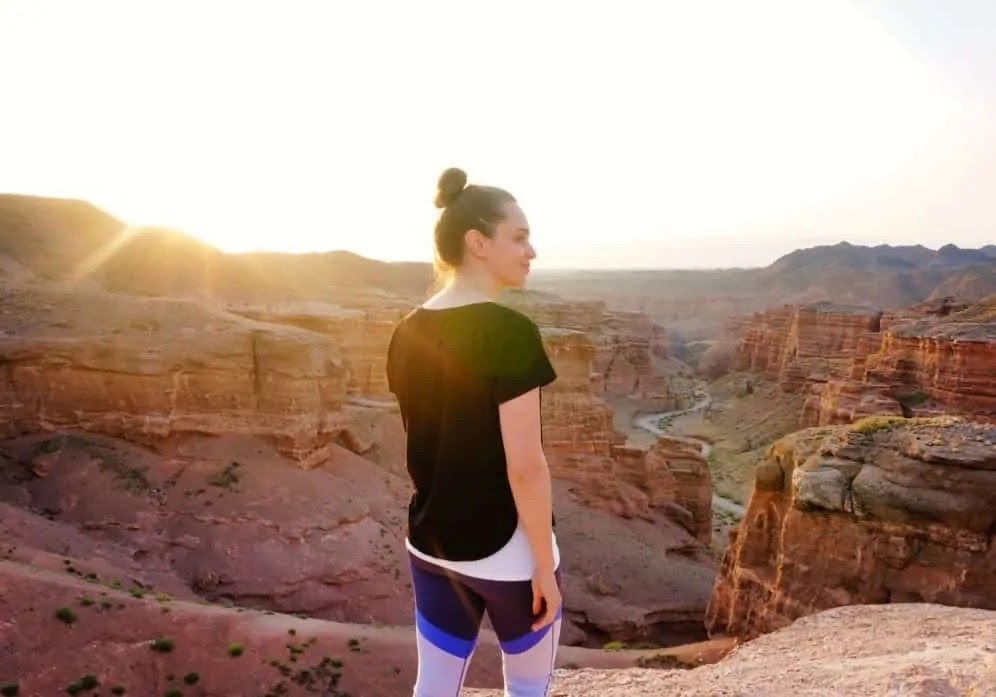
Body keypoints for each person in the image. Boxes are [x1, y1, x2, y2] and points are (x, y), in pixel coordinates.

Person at [386, 167, 563, 696]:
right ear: (477, 243)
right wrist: (543, 569)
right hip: (507, 550)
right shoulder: (508, 331)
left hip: (432, 544)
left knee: (436, 686)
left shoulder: (406, 330)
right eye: (520, 237)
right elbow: (525, 466)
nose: (531, 252)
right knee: (527, 688)